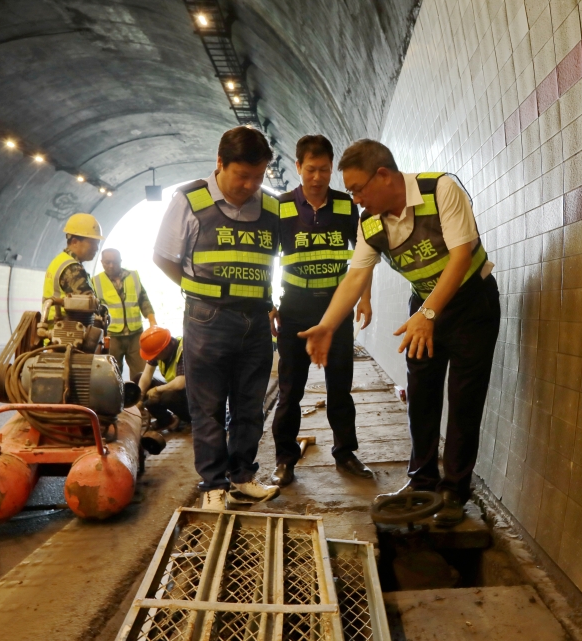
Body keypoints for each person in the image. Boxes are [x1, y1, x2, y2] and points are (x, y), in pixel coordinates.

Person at [299, 139, 500, 526]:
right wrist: (327, 324)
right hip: (422, 309)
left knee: (464, 399)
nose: (356, 199)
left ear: (384, 176)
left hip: (471, 305)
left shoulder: (440, 190)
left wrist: (429, 313)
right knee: (421, 395)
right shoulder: (370, 223)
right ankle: (422, 480)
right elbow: (355, 276)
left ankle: (454, 491)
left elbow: (461, 256)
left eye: (358, 189)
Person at [153, 126, 281, 510]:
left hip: (255, 320)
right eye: (242, 175)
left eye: (258, 176)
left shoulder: (271, 206)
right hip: (208, 319)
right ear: (220, 163)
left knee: (250, 405)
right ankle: (213, 485)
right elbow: (164, 256)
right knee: (207, 406)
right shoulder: (189, 200)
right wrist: (199, 290)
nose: (250, 185)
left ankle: (242, 477)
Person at [269, 135, 373, 487]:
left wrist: (365, 297)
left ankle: (345, 452)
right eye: (311, 169)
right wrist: (269, 303)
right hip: (294, 310)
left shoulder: (346, 205)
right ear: (298, 167)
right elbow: (265, 257)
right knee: (290, 390)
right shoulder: (281, 207)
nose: (317, 177)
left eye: (325, 170)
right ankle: (285, 459)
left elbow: (364, 253)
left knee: (340, 387)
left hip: (335, 311)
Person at [93, 248, 157, 377]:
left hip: (135, 334)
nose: (111, 265)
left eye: (115, 262)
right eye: (107, 262)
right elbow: (94, 309)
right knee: (111, 374)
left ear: (121, 261)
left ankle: (138, 391)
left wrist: (152, 321)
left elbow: (143, 300)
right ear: (101, 262)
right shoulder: (96, 281)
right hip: (112, 336)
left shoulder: (133, 277)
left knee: (141, 372)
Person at [42, 213, 103, 321]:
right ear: (74, 242)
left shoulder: (60, 260)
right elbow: (89, 305)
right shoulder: (72, 268)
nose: (96, 248)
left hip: (55, 327)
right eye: (92, 243)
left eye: (97, 243)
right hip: (69, 329)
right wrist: (102, 310)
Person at [135, 326, 189, 430]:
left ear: (166, 348)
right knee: (138, 379)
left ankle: (189, 420)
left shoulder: (184, 350)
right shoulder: (160, 349)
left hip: (193, 396)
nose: (154, 358)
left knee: (168, 396)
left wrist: (157, 390)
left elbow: (181, 383)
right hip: (178, 389)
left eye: (155, 355)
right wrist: (140, 398)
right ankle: (167, 420)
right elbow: (146, 375)